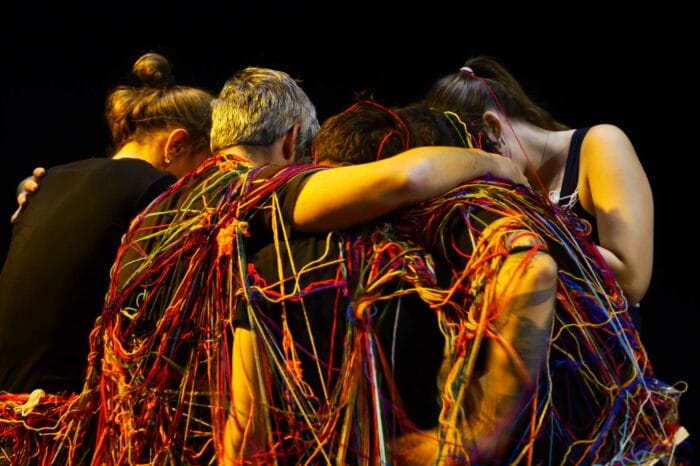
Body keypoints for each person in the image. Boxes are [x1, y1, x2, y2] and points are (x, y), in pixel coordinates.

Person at [0, 67, 528, 465]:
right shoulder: (252, 188)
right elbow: (406, 180)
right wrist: (496, 165)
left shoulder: (158, 208)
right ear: (292, 142)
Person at [230, 99, 682, 465]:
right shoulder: (452, 246)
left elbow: (244, 437)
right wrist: (476, 436)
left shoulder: (267, 264)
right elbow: (534, 268)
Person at [0, 52, 214, 396]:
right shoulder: (159, 191)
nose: (200, 185)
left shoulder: (51, 178)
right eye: (202, 168)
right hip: (63, 416)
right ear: (177, 145)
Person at [423, 56, 653, 327]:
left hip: (610, 356)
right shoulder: (511, 191)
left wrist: (532, 223)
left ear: (494, 128)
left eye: (477, 159)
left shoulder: (600, 144)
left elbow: (631, 280)